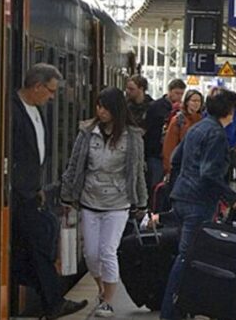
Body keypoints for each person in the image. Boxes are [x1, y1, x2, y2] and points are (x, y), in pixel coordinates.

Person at [157, 87, 236, 320]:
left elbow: (176, 158)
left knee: (186, 254)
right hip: (198, 202)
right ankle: (170, 312)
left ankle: (181, 308)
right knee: (188, 257)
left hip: (182, 197)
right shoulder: (216, 134)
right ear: (230, 110)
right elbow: (209, 174)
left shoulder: (196, 128)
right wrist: (232, 197)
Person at [61, 87, 147, 318]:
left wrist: (142, 203)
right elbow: (75, 164)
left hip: (118, 202)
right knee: (91, 254)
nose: (101, 111)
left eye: (105, 107)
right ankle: (101, 288)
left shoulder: (133, 136)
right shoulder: (87, 132)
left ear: (116, 109)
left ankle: (108, 301)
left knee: (107, 251)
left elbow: (137, 171)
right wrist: (67, 195)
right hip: (90, 199)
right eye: (98, 106)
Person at [11, 63, 87, 319]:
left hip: (33, 192)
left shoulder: (36, 110)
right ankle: (53, 302)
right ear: (36, 86)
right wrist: (24, 188)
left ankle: (51, 300)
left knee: (39, 243)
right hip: (18, 196)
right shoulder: (13, 110)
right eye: (50, 91)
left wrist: (39, 186)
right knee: (40, 245)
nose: (53, 97)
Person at [145, 79, 186, 194]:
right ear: (169, 91)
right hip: (156, 152)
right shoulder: (156, 107)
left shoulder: (182, 111)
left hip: (173, 154)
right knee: (154, 183)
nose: (179, 97)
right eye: (177, 93)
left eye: (182, 94)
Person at [162, 90, 203, 177]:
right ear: (187, 102)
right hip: (180, 165)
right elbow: (169, 145)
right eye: (193, 101)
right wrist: (169, 168)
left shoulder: (201, 120)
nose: (196, 104)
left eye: (199, 101)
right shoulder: (178, 120)